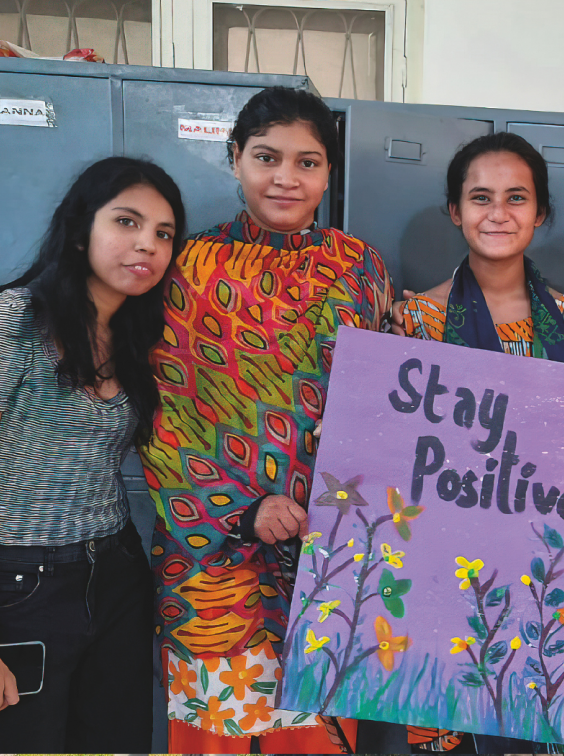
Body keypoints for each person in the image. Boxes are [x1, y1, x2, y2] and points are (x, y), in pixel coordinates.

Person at [139, 86, 393, 753]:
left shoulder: (361, 267)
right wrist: (242, 510)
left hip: (332, 544)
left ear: (329, 172)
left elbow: (385, 402)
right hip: (213, 551)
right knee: (216, 728)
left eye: (307, 162)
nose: (286, 177)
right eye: (266, 157)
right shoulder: (188, 266)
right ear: (235, 159)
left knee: (316, 732)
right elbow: (162, 410)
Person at [398, 131, 564, 754]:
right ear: (455, 211)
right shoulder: (416, 322)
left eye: (516, 197)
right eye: (480, 197)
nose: (498, 213)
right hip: (450, 571)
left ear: (541, 212)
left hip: (550, 569)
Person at [0, 157, 186, 751]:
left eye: (163, 233)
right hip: (22, 583)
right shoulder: (13, 320)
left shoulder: (136, 336)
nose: (147, 245)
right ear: (80, 232)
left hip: (118, 575)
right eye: (126, 222)